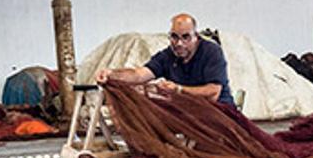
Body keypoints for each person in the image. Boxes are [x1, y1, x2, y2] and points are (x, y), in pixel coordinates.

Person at [95, 13, 235, 106]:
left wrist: (179, 90)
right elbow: (138, 75)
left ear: (196, 37)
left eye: (185, 37)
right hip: (187, 111)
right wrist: (111, 74)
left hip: (219, 110)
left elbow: (213, 92)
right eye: (174, 37)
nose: (179, 43)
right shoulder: (168, 56)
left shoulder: (211, 52)